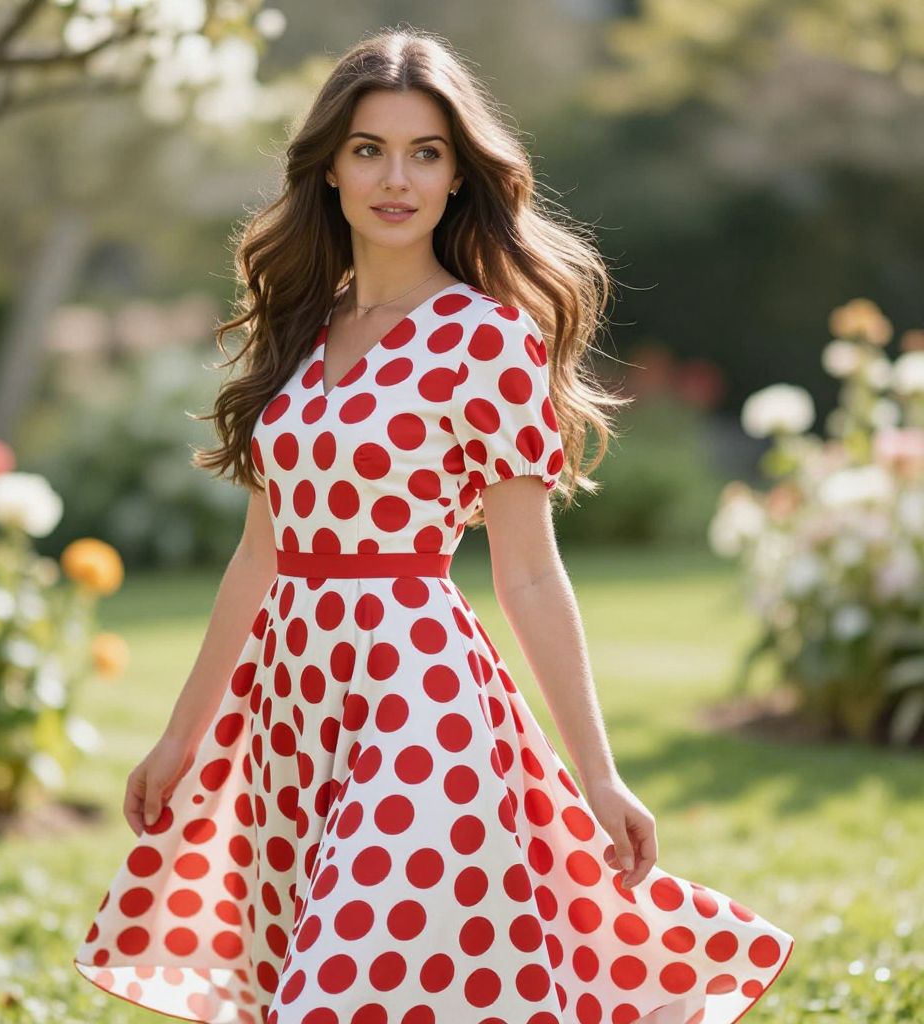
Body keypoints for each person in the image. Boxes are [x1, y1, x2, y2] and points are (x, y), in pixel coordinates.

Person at [73, 27, 794, 1024]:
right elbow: (260, 555)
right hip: (293, 704)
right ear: (328, 166)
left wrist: (599, 771)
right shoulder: (300, 328)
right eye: (369, 148)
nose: (395, 177)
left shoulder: (486, 336)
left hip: (419, 697)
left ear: (460, 175)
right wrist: (180, 737)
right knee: (321, 960)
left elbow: (531, 573)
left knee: (351, 975)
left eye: (426, 151)